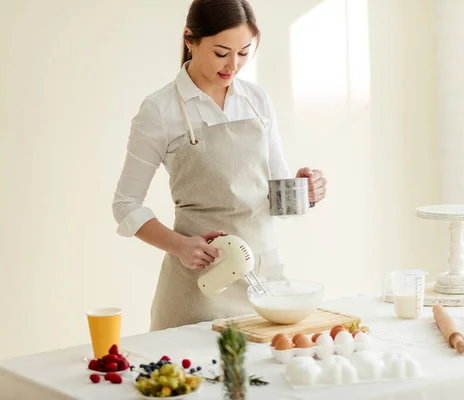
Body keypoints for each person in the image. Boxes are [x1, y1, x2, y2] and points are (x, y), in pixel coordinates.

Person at [112, 0, 327, 331]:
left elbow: (279, 196)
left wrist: (304, 189)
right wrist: (180, 246)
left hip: (264, 286)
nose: (233, 65)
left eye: (244, 52)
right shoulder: (160, 110)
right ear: (190, 40)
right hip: (201, 284)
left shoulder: (257, 101)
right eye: (221, 52)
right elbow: (125, 205)